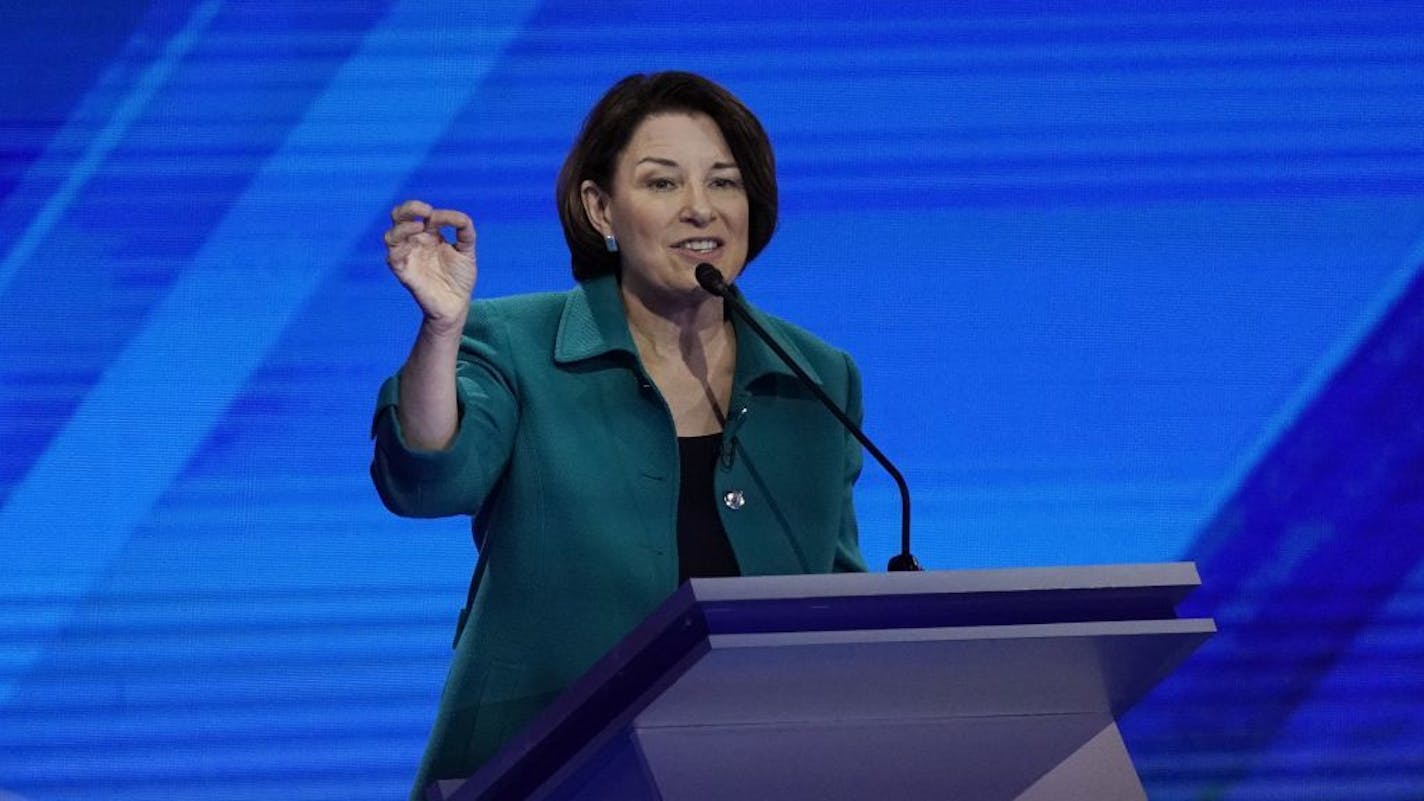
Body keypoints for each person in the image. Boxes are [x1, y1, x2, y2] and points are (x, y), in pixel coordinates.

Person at [371, 71, 868, 798]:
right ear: (600, 206)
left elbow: (836, 597)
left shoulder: (814, 375)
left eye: (725, 183)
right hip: (543, 774)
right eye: (663, 184)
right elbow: (428, 476)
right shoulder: (515, 344)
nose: (702, 208)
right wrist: (443, 330)